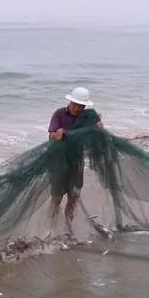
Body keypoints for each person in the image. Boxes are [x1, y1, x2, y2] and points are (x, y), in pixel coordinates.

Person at [47, 87, 104, 227]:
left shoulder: (88, 117)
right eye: (76, 104)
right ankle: (52, 224)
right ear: (70, 101)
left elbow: (95, 138)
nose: (78, 108)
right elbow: (51, 136)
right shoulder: (59, 114)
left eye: (81, 106)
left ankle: (68, 225)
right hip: (58, 161)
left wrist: (100, 129)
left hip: (76, 161)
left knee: (74, 195)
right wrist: (57, 135)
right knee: (57, 195)